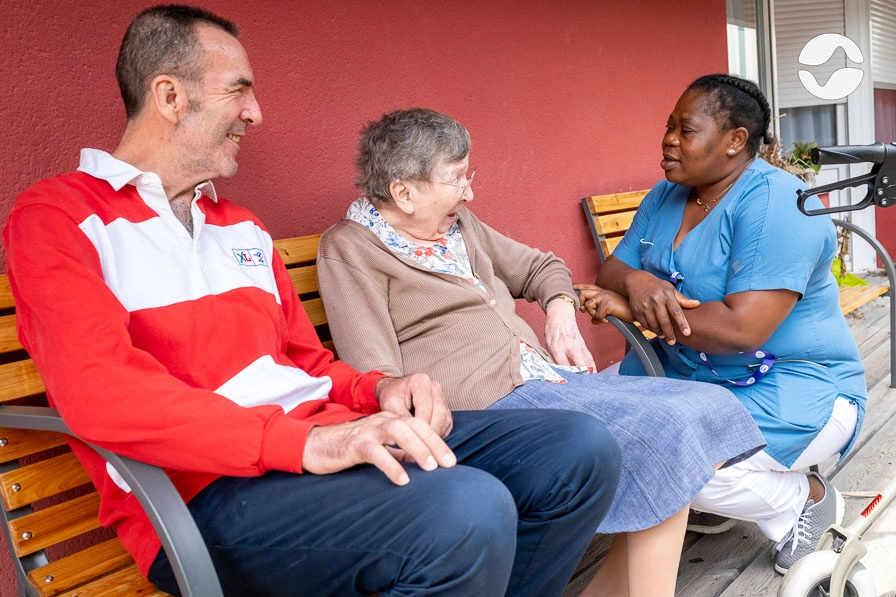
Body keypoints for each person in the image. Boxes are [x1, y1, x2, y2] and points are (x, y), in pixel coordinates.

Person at [3, 7, 624, 597]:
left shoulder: (240, 228)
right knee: (468, 508)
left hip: (322, 439)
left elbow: (309, 363)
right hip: (201, 494)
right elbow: (103, 393)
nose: (255, 113)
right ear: (170, 97)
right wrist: (305, 444)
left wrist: (381, 390)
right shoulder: (58, 217)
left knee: (577, 451)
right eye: (238, 90)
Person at [316, 107, 766, 597]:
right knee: (666, 427)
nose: (469, 192)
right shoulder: (351, 249)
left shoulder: (459, 224)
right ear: (404, 192)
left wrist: (559, 313)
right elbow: (374, 373)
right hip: (485, 403)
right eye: (456, 179)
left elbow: (542, 267)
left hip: (544, 378)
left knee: (702, 406)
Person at [576, 73, 867, 575]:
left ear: (735, 140)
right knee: (600, 431)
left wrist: (629, 306)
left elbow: (740, 331)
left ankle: (805, 498)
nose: (669, 140)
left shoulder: (780, 205)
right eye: (668, 127)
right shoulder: (667, 195)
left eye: (685, 130)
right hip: (690, 374)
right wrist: (640, 283)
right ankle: (720, 488)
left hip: (794, 383)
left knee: (670, 464)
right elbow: (614, 271)